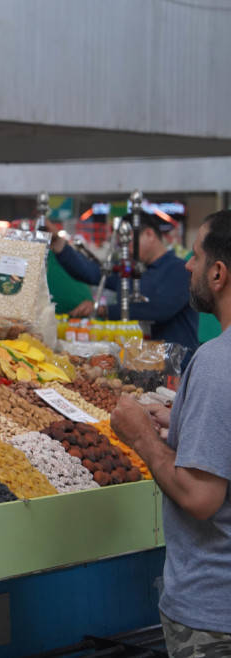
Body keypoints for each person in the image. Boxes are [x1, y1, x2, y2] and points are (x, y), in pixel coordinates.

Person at [111, 210, 231, 657]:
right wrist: (180, 416)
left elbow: (201, 498)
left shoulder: (217, 363)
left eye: (196, 256)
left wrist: (140, 434)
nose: (187, 265)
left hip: (214, 618)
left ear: (218, 273)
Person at [52, 211, 199, 353]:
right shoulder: (133, 271)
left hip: (177, 367)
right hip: (144, 362)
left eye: (128, 242)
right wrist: (58, 243)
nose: (126, 249)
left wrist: (102, 310)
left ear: (149, 234)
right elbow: (92, 273)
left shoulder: (179, 269)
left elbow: (157, 309)